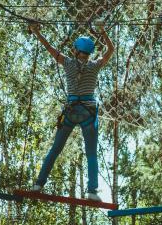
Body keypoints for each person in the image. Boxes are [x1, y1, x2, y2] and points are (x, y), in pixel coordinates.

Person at [28, 22, 114, 201]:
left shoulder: (67, 62)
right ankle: (92, 191)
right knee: (91, 153)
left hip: (70, 111)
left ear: (76, 50)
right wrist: (103, 31)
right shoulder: (95, 65)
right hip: (88, 113)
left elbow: (49, 48)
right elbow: (110, 50)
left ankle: (38, 184)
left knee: (55, 150)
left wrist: (37, 32)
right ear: (89, 52)